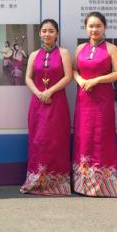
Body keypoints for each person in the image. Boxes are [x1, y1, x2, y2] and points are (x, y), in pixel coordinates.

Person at [20, 19, 73, 195]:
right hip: (38, 105)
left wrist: (49, 91)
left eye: (51, 31)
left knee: (56, 140)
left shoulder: (64, 53)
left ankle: (58, 184)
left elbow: (68, 76)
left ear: (57, 33)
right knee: (38, 141)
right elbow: (28, 78)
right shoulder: (34, 55)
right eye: (44, 31)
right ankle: (36, 181)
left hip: (57, 103)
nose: (47, 34)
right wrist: (39, 93)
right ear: (39, 33)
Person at [72, 12, 117, 197]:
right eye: (91, 26)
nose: (94, 29)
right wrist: (80, 79)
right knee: (83, 137)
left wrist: (97, 80)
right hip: (83, 100)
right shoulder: (80, 48)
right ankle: (82, 184)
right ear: (86, 28)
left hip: (102, 100)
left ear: (104, 27)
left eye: (98, 26)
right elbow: (74, 70)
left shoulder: (111, 49)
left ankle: (103, 185)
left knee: (101, 137)